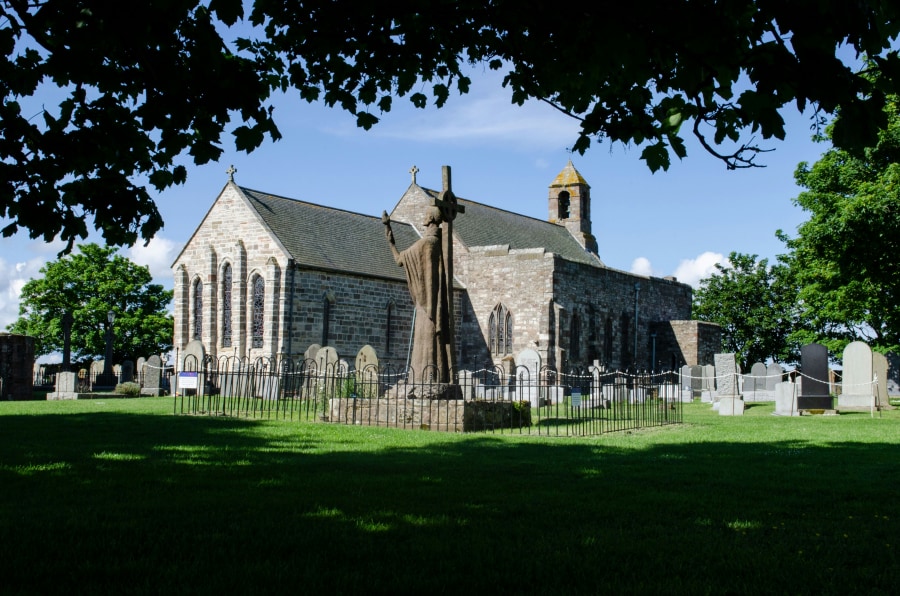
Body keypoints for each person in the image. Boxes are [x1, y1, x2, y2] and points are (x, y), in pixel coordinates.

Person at [383, 207, 451, 383]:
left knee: (424, 344)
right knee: (433, 345)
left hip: (425, 309)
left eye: (426, 215)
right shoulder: (437, 243)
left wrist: (390, 242)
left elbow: (399, 260)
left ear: (429, 220)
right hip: (435, 307)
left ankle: (422, 379)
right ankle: (435, 377)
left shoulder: (425, 243)